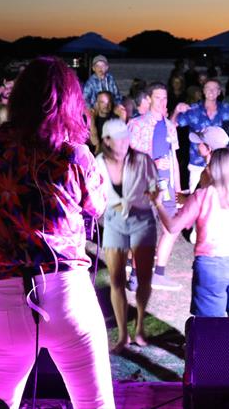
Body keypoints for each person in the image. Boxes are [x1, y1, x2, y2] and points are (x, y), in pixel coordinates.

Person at [0, 56, 114, 409]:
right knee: (95, 404)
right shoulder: (73, 153)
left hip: (3, 296)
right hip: (67, 293)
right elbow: (98, 207)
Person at [151, 148, 229, 317]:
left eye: (209, 165)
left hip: (211, 266)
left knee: (208, 325)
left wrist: (158, 203)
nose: (206, 168)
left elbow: (172, 227)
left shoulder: (203, 195)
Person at [95, 119, 157, 353]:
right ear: (106, 141)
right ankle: (123, 335)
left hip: (142, 219)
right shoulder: (98, 162)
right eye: (117, 137)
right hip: (113, 221)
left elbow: (155, 186)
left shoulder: (141, 160)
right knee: (116, 279)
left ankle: (140, 327)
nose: (123, 142)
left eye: (125, 136)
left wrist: (152, 197)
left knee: (143, 278)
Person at [127, 82, 183, 291]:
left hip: (166, 187)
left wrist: (178, 189)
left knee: (171, 228)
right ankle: (135, 274)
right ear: (149, 99)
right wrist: (153, 162)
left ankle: (159, 273)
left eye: (165, 98)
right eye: (158, 97)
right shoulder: (137, 124)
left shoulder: (169, 126)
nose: (162, 102)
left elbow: (174, 158)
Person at [171, 78, 229, 193]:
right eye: (208, 88)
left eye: (215, 88)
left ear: (219, 92)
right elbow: (171, 127)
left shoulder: (227, 109)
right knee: (195, 202)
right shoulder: (193, 110)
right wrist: (176, 111)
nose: (211, 91)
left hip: (222, 164)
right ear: (203, 91)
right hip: (197, 163)